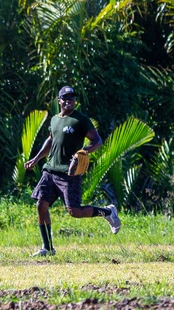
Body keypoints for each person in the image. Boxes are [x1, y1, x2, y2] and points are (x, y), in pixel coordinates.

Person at [25, 86, 121, 256]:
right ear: (59, 101)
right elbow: (51, 140)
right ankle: (47, 248)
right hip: (50, 170)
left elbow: (97, 141)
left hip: (69, 173)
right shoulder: (54, 119)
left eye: (72, 98)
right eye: (65, 97)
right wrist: (36, 158)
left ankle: (108, 211)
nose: (69, 100)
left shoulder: (81, 120)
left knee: (75, 212)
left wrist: (83, 152)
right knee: (41, 204)